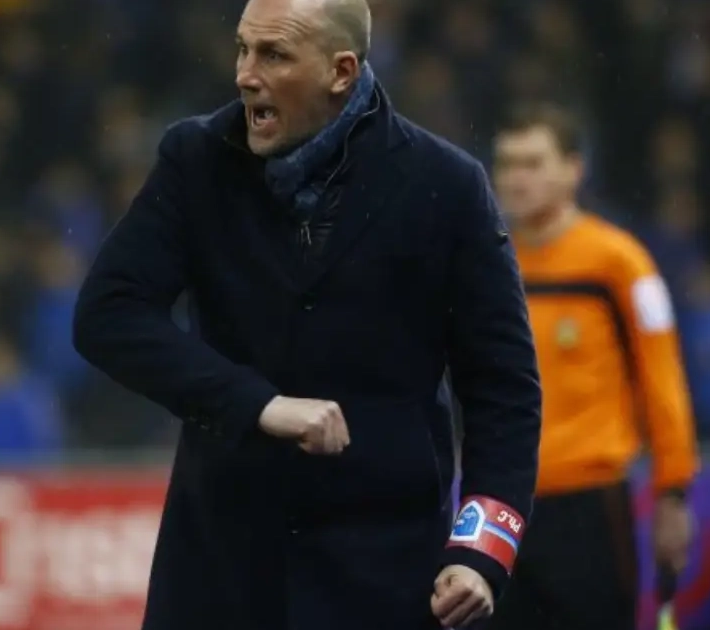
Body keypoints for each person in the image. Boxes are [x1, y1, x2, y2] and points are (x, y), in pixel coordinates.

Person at [71, 0, 543, 628]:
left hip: (384, 577)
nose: (245, 74)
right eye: (243, 48)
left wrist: (480, 553)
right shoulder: (197, 158)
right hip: (221, 570)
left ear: (340, 71)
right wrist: (257, 404)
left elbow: (504, 390)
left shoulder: (447, 186)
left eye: (274, 55)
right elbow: (108, 314)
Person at [486, 102, 699, 630]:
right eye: (507, 164)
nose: (516, 178)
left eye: (533, 163)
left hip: (588, 506)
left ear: (573, 170)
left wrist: (672, 493)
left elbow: (663, 381)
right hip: (498, 504)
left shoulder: (620, 264)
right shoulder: (485, 262)